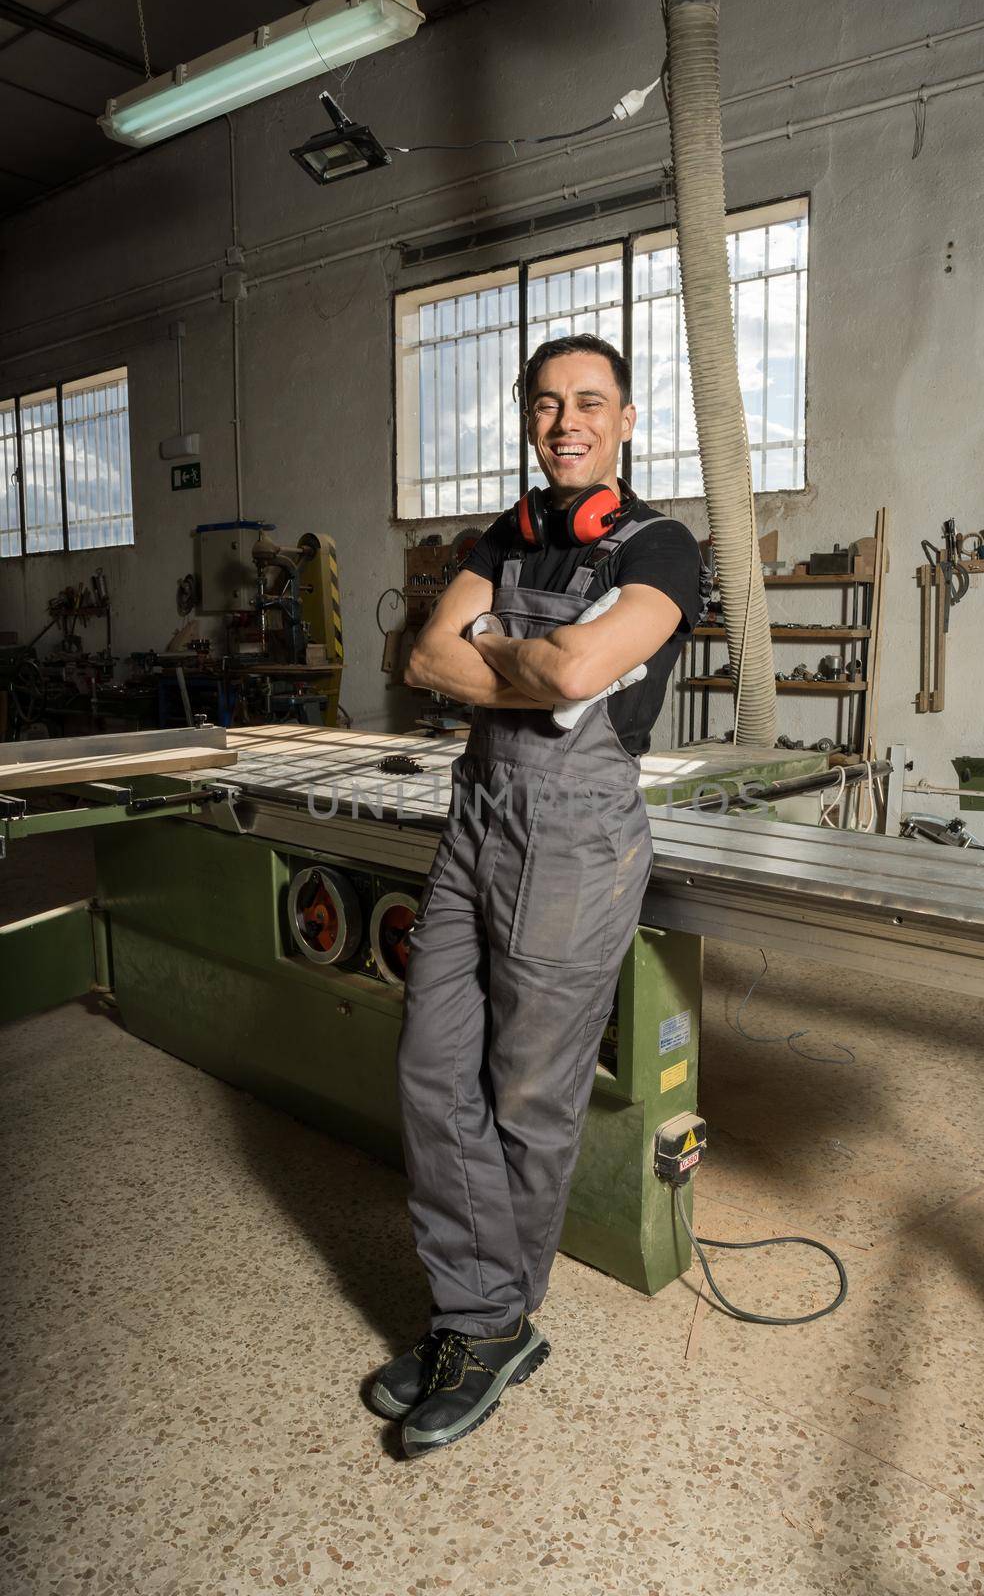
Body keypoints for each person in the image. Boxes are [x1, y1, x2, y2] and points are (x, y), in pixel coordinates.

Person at [369, 333, 706, 1457]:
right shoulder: (502, 533)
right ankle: (481, 1312)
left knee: (526, 1094)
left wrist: (504, 648)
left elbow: (572, 678)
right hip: (477, 817)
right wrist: (541, 655)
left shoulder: (663, 548)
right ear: (527, 417)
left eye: (590, 402)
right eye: (548, 402)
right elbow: (423, 660)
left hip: (575, 838)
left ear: (623, 419)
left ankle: (488, 1322)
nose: (566, 420)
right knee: (429, 1061)